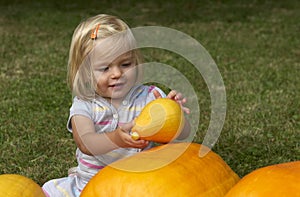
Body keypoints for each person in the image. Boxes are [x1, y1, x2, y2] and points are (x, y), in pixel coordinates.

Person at [42, 14, 190, 197]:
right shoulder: (85, 104)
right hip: (93, 187)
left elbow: (181, 135)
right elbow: (85, 142)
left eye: (125, 64)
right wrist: (116, 139)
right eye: (105, 68)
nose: (117, 73)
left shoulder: (151, 96)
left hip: (142, 185)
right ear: (86, 72)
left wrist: (176, 116)